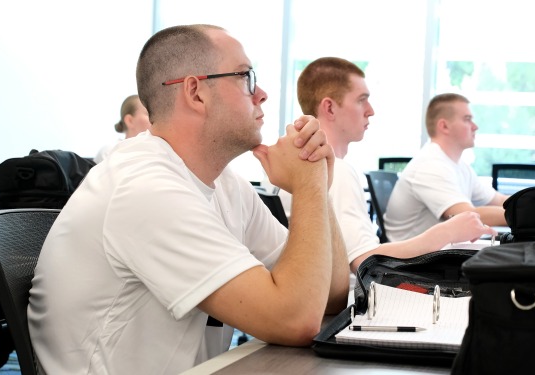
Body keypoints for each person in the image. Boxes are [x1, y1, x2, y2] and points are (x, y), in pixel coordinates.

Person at [27, 25, 349, 374]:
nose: (263, 94)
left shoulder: (226, 184)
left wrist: (316, 184)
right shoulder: (145, 188)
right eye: (246, 77)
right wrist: (308, 186)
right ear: (195, 93)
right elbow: (296, 320)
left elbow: (331, 295)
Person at [296, 57, 495, 272]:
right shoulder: (336, 172)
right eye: (362, 100)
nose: (370, 110)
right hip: (361, 297)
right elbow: (365, 262)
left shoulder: (307, 167)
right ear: (330, 108)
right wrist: (447, 232)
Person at [385, 93, 509, 242]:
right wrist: (529, 215)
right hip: (412, 262)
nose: (475, 126)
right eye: (467, 119)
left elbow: (500, 200)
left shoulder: (459, 166)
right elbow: (465, 216)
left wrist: (534, 202)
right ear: (444, 126)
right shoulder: (430, 166)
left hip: (435, 254)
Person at [93, 94, 152, 163]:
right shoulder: (109, 152)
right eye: (149, 113)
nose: (154, 118)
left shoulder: (157, 152)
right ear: (129, 120)